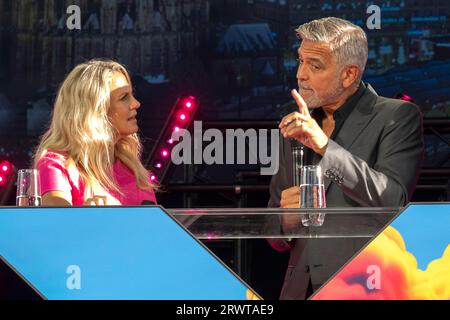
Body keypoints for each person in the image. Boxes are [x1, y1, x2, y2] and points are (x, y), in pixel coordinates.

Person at [268, 17, 424, 299]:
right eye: (300, 61)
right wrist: (284, 223)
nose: (300, 74)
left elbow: (393, 201)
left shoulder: (396, 116)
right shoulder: (295, 124)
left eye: (314, 66)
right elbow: (273, 230)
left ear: (349, 75)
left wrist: (325, 146)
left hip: (365, 288)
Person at [34, 59, 157, 206]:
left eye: (132, 95)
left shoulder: (133, 168)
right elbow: (58, 222)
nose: (136, 103)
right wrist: (89, 217)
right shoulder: (56, 165)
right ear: (96, 111)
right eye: (124, 97)